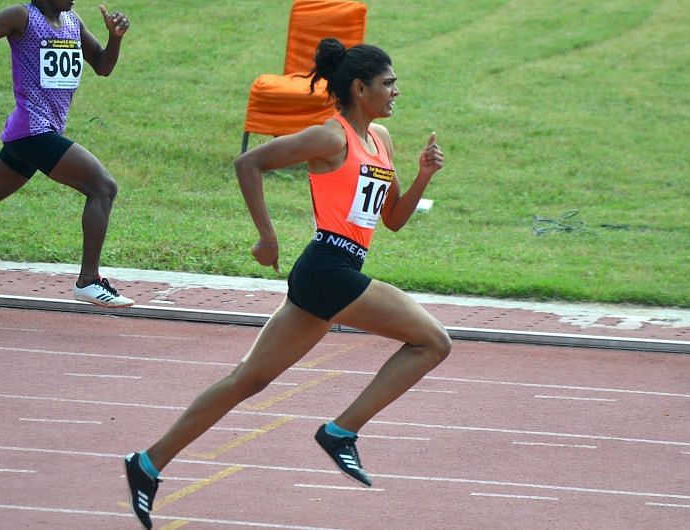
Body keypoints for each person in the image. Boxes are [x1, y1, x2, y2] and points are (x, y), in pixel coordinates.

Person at [123, 37, 452, 529]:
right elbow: (247, 162)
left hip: (338, 272)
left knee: (247, 380)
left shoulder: (380, 139)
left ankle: (147, 463)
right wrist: (266, 236)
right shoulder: (330, 137)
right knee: (433, 342)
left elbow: (394, 220)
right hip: (327, 268)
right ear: (360, 88)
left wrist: (424, 175)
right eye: (388, 84)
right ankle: (341, 431)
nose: (396, 92)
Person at [0, 1, 134, 307]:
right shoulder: (21, 16)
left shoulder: (71, 22)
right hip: (33, 130)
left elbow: (102, 66)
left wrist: (114, 38)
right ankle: (88, 281)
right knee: (103, 187)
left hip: (34, 134)